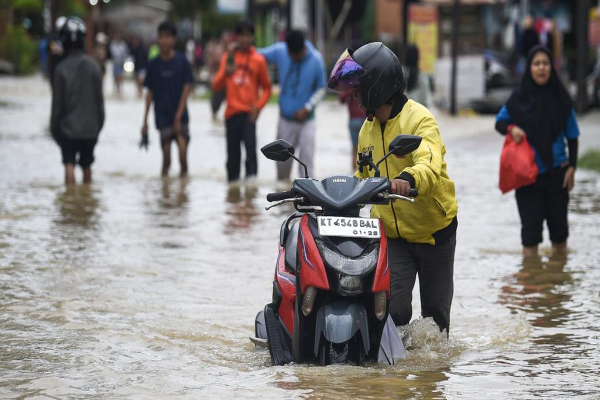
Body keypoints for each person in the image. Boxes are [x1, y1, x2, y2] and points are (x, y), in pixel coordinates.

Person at [328, 43, 458, 334]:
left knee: (435, 324)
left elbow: (430, 163)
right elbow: (362, 176)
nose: (355, 96)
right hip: (393, 235)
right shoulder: (367, 130)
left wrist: (409, 179)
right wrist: (338, 196)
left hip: (434, 231)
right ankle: (393, 378)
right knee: (391, 312)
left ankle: (430, 378)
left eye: (359, 89)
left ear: (377, 86)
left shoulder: (419, 119)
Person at [495, 45, 579, 257]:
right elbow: (500, 122)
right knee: (530, 238)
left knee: (560, 237)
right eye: (536, 64)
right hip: (527, 178)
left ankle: (557, 282)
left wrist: (572, 168)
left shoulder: (561, 99)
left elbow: (572, 135)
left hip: (557, 175)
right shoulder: (519, 97)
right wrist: (512, 129)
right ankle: (532, 284)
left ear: (552, 67)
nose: (541, 68)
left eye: (545, 63)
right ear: (529, 68)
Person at [260, 30, 327, 181]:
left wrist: (308, 107)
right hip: (285, 120)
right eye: (290, 54)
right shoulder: (280, 51)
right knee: (282, 166)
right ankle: (283, 202)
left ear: (302, 49)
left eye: (295, 55)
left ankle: (307, 198)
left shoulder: (316, 60)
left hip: (307, 121)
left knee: (307, 163)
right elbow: (257, 55)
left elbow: (321, 89)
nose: (292, 57)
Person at [212, 21, 272, 183]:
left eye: (248, 35)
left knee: (251, 153)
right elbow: (216, 85)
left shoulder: (258, 60)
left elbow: (267, 89)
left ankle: (251, 194)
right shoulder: (228, 57)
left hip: (249, 115)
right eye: (241, 35)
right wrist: (226, 71)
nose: (244, 39)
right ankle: (233, 192)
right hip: (231, 114)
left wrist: (258, 107)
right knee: (233, 156)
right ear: (236, 37)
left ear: (252, 37)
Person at [51, 16, 104, 185]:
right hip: (90, 130)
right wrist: (96, 129)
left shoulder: (60, 70)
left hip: (68, 130)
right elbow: (100, 106)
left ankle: (70, 202)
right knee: (87, 165)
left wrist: (55, 131)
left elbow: (57, 107)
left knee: (69, 164)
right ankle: (86, 204)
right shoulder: (95, 67)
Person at [141, 21, 194, 177]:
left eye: (168, 37)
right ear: (158, 39)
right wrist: (144, 121)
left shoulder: (182, 61)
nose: (164, 41)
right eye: (162, 37)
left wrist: (178, 115)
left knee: (183, 155)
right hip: (162, 115)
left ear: (174, 39)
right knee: (166, 159)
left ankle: (183, 191)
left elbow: (186, 89)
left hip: (181, 116)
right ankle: (165, 192)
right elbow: (149, 93)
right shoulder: (153, 64)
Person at [338, 91, 364, 169]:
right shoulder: (365, 82)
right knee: (362, 149)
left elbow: (341, 99)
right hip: (361, 119)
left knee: (355, 149)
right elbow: (341, 99)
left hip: (356, 120)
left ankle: (355, 174)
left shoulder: (349, 84)